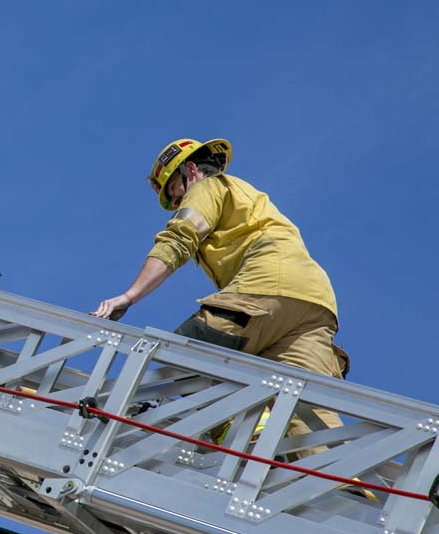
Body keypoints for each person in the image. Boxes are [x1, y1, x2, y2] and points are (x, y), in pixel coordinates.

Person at [92, 137, 348, 447]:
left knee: (187, 354)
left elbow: (179, 238)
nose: (176, 204)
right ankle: (351, 488)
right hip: (316, 305)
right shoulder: (247, 198)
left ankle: (244, 427)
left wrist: (128, 296)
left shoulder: (208, 187)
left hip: (267, 285)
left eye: (174, 192)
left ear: (191, 170)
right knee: (307, 417)